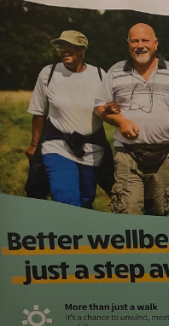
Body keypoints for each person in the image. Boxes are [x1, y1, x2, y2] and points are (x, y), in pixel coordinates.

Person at [95, 23, 169, 216]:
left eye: (145, 40)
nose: (140, 45)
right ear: (128, 44)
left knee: (158, 213)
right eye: (135, 41)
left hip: (163, 156)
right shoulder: (115, 71)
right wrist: (120, 121)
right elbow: (99, 107)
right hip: (127, 154)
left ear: (156, 43)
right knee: (129, 212)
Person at [25, 30, 111, 208]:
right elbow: (39, 112)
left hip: (92, 148)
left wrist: (112, 108)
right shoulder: (49, 73)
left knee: (86, 200)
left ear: (83, 49)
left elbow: (109, 106)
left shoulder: (100, 75)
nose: (64, 50)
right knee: (66, 198)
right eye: (61, 46)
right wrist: (34, 144)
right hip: (57, 145)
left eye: (70, 46)